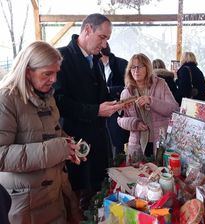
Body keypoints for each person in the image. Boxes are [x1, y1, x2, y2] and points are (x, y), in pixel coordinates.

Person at [0, 41, 80, 223]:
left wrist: (70, 145)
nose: (54, 80)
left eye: (55, 73)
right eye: (47, 74)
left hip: (53, 195)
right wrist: (58, 149)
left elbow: (53, 134)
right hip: (25, 204)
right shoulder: (6, 99)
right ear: (28, 71)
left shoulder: (46, 96)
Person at [54, 13, 124, 211]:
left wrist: (114, 104)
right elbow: (58, 102)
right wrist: (95, 111)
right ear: (87, 30)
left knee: (96, 195)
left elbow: (98, 96)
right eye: (102, 37)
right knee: (75, 203)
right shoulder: (60, 58)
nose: (104, 45)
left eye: (107, 40)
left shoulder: (96, 61)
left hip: (100, 140)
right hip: (75, 143)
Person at [117, 53, 179, 161]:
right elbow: (120, 119)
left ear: (147, 68)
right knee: (136, 175)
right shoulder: (126, 92)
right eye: (133, 67)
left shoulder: (160, 84)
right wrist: (134, 123)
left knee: (159, 173)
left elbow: (174, 109)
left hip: (159, 142)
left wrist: (151, 101)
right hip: (137, 143)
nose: (136, 70)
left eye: (140, 66)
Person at [99, 43, 129, 156]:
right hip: (102, 110)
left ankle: (118, 162)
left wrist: (108, 90)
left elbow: (129, 86)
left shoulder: (121, 64)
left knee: (117, 142)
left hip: (118, 109)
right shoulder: (96, 65)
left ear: (101, 51)